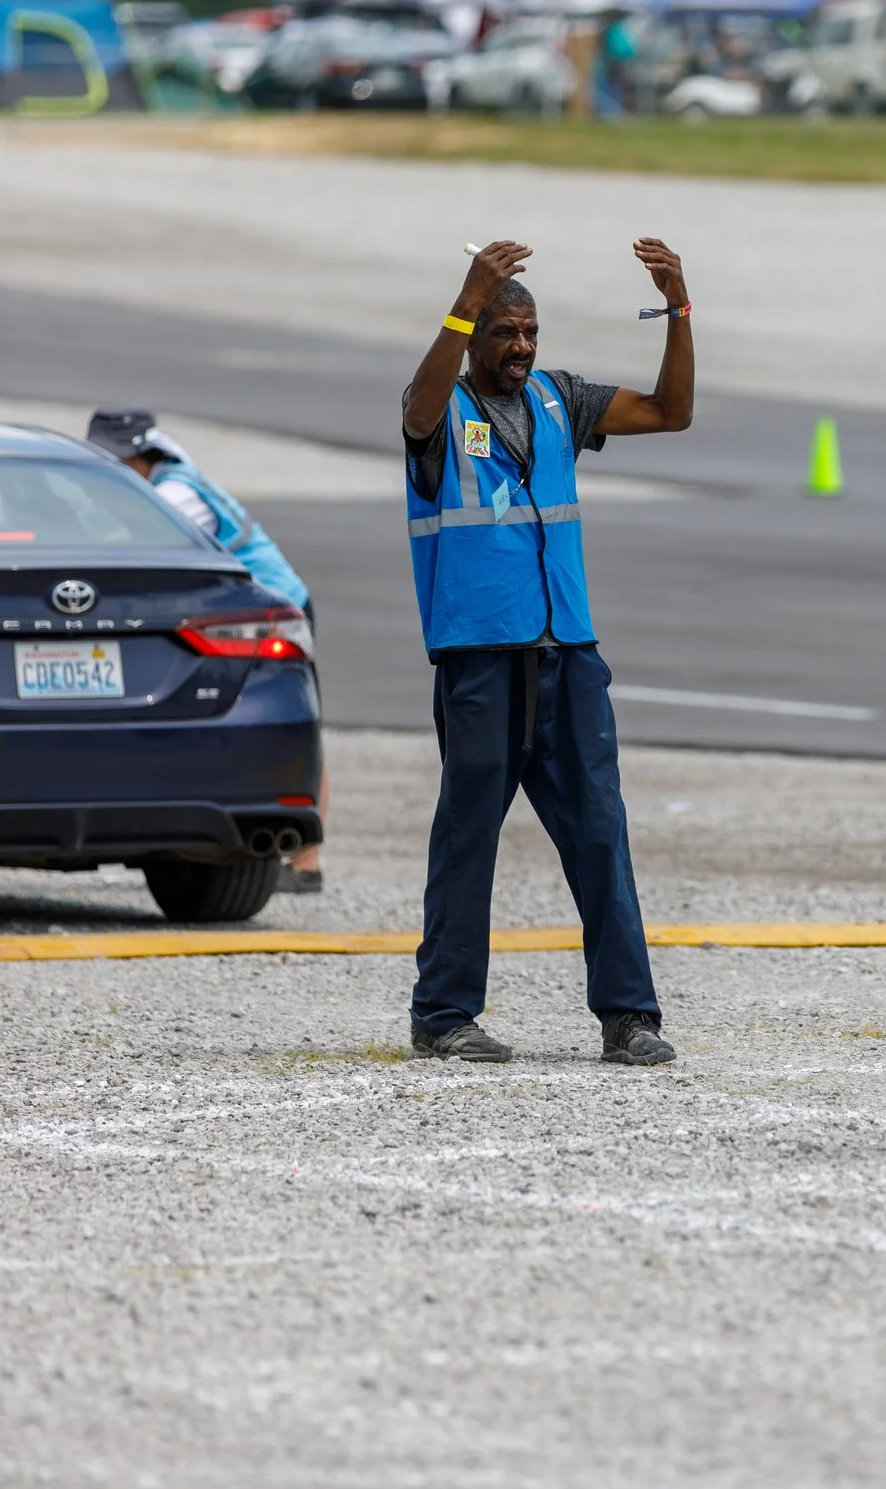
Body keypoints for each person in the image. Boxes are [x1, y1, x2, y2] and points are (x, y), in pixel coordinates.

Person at [399, 237, 694, 1067]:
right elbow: (416, 412)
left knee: (601, 831)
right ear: (476, 334)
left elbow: (673, 411)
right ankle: (443, 1014)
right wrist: (465, 298)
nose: (522, 347)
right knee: (469, 837)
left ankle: (628, 1016)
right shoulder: (442, 413)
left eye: (531, 332)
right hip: (481, 662)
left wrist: (677, 309)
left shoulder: (564, 401)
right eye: (506, 333)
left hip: (569, 656)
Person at [86, 409, 327, 892]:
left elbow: (143, 551)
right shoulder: (172, 475)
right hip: (249, 614)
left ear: (138, 458)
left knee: (296, 725)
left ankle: (306, 864)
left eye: (115, 460)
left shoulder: (175, 495)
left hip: (274, 610)